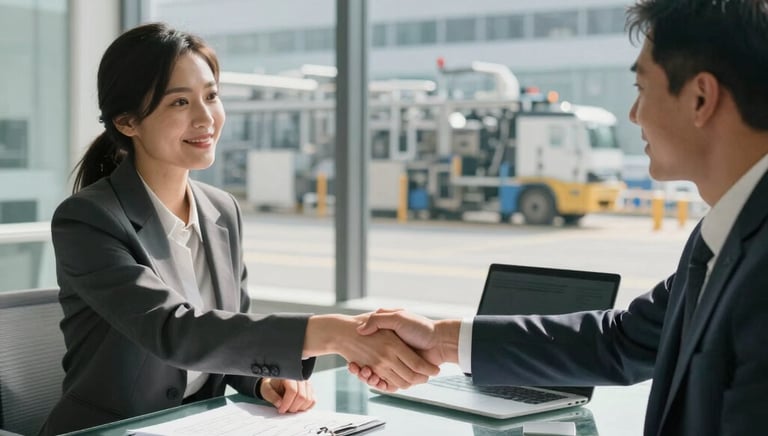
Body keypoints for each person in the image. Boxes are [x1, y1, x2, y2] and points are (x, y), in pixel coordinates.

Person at [351, 1, 768, 435]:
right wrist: (439, 338)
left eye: (642, 88)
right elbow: (621, 342)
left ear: (701, 98)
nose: (633, 114)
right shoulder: (721, 235)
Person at [41, 23, 437, 435]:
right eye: (179, 103)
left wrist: (263, 381)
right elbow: (175, 331)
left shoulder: (221, 210)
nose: (205, 118)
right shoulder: (88, 220)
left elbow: (228, 331)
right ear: (128, 122)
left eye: (211, 96)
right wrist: (333, 333)